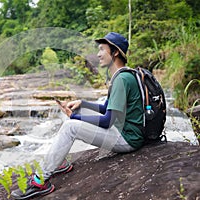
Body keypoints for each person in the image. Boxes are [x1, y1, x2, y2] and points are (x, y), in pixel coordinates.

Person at [11, 32, 144, 199]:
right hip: (123, 131)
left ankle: (40, 182)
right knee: (77, 114)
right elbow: (106, 108)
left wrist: (75, 118)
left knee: (70, 126)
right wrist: (83, 104)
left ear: (115, 52)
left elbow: (107, 121)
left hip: (127, 138)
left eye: (102, 49)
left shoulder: (122, 80)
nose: (98, 54)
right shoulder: (123, 75)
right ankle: (57, 162)